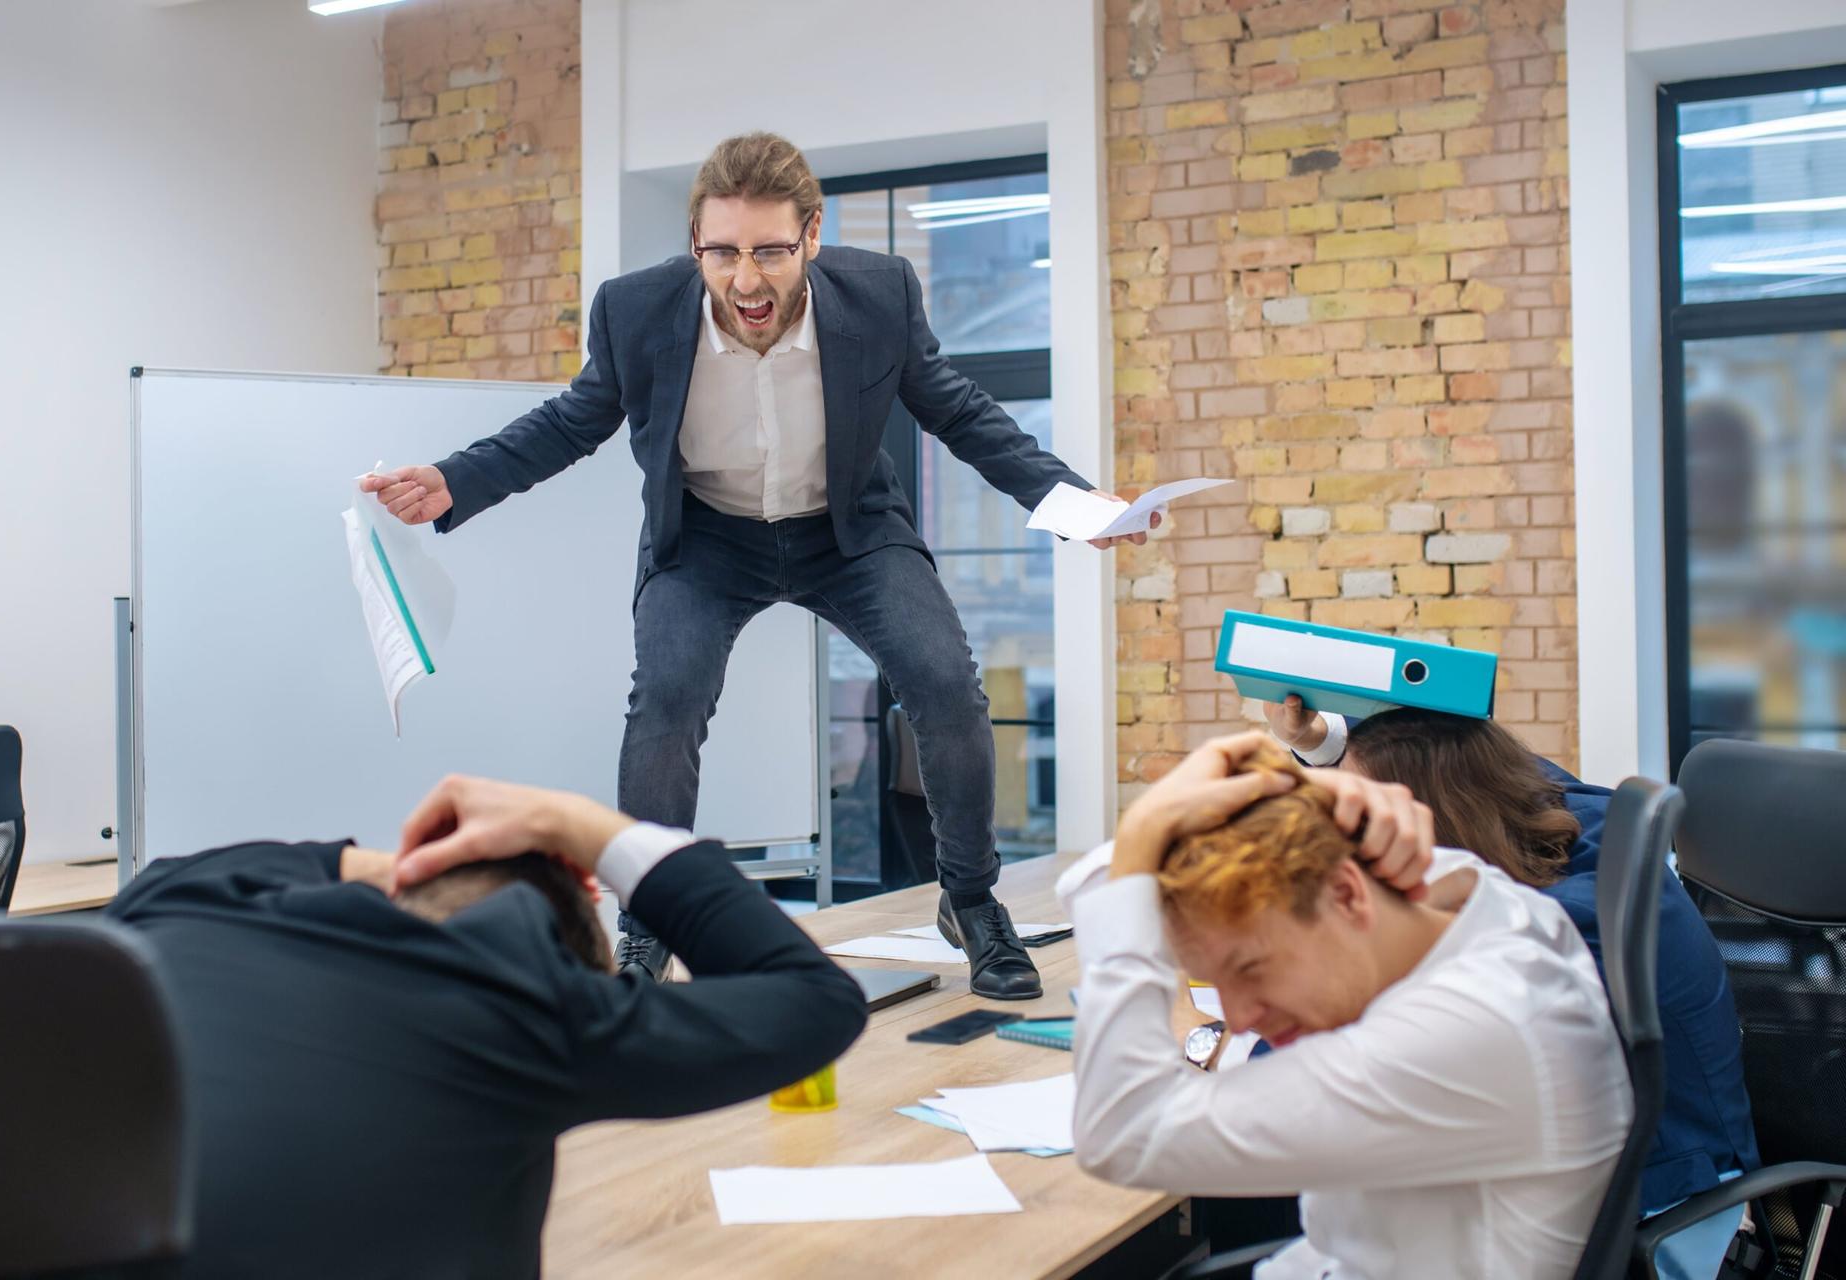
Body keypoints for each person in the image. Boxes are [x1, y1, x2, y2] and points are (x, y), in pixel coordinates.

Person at [361, 132, 1144, 999]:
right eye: (723, 252)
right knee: (665, 704)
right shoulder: (636, 310)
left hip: (846, 530)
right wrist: (452, 481)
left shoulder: (879, 295)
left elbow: (956, 410)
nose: (746, 279)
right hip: (706, 538)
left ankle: (970, 900)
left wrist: (1073, 504)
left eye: (770, 251)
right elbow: (573, 420)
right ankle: (648, 925)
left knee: (946, 683)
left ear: (810, 236)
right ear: (696, 243)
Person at [102, 776, 868, 1280]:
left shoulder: (181, 912)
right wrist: (580, 823)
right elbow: (816, 999)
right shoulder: (523, 1001)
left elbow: (201, 871)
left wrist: (416, 861)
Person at [1062, 731, 1632, 1279]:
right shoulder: (1484, 906)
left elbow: (1123, 1133)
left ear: (1346, 894)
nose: (1236, 1019)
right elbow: (1409, 860)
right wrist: (1314, 796)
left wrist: (1143, 834)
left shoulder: (1476, 1025)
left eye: (1250, 969)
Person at [1266, 700, 1760, 1279]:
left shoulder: (1549, 938)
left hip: (1649, 1221)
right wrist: (1325, 746)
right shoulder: (1581, 821)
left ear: (1435, 827)